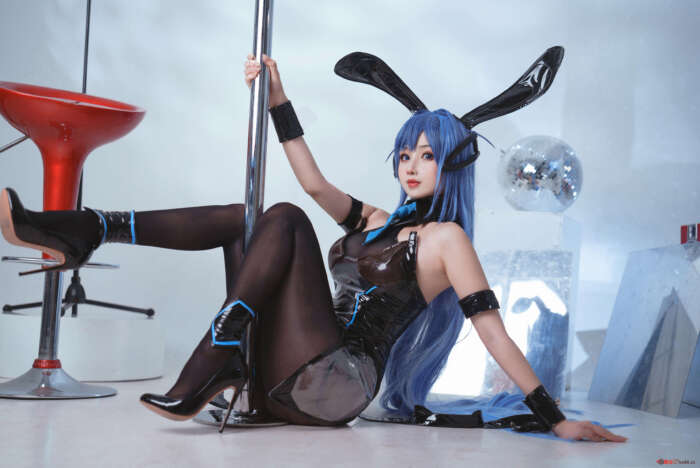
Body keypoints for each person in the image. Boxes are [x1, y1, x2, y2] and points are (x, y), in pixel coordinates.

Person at [0, 48, 626, 442]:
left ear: (453, 166)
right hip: (292, 370)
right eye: (404, 154)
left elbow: (493, 334)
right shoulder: (379, 219)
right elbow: (313, 182)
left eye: (427, 156)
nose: (411, 166)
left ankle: (215, 351)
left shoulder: (447, 241)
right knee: (251, 220)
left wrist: (554, 418)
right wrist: (279, 100)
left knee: (286, 219)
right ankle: (91, 228)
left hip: (336, 385)